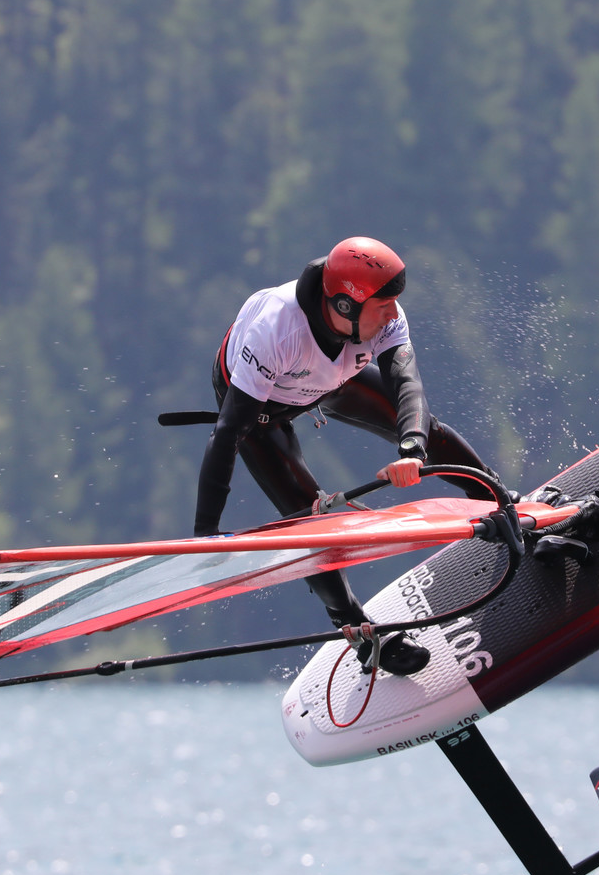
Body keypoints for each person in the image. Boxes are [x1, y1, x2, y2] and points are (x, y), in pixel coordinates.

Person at [193, 236, 496, 676]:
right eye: (384, 305)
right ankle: (360, 632)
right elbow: (226, 436)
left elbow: (407, 385)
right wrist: (206, 532)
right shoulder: (276, 330)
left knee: (425, 430)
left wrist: (412, 447)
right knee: (308, 522)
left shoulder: (381, 312)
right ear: (346, 306)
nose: (394, 312)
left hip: (329, 381)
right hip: (256, 412)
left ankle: (499, 498)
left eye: (395, 302)